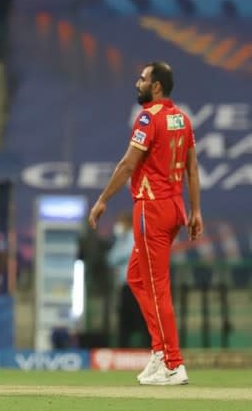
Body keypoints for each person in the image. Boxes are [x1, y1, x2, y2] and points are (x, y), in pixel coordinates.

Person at [88, 61, 203, 386]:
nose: (137, 83)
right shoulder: (182, 119)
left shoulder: (149, 117)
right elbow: (193, 170)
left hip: (151, 209)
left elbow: (127, 165)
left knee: (156, 286)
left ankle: (173, 363)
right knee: (136, 278)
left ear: (156, 87)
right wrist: (195, 212)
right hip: (174, 208)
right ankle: (158, 352)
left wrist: (103, 200)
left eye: (142, 79)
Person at [107, 211, 149, 348]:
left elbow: (129, 252)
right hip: (126, 286)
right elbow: (110, 259)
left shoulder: (133, 237)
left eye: (121, 223)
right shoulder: (122, 239)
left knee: (141, 319)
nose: (118, 226)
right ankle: (123, 351)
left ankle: (149, 351)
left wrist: (118, 255)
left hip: (137, 285)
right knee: (125, 321)